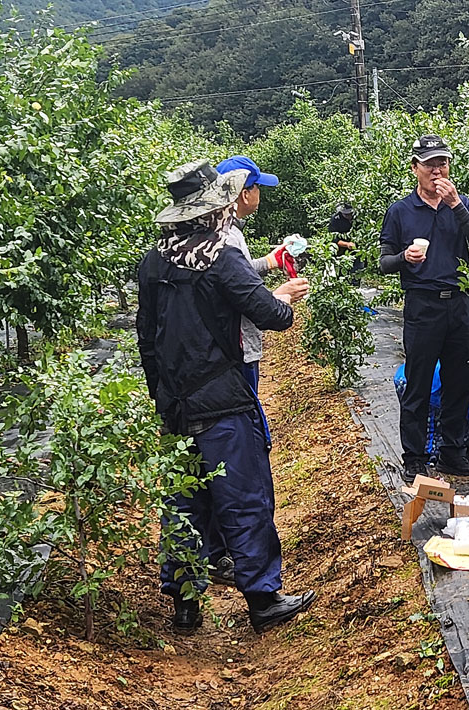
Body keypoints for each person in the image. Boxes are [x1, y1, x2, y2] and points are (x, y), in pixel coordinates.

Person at [137, 159, 315, 634]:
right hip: (223, 399)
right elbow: (272, 315)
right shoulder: (220, 256)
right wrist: (284, 299)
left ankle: (185, 604)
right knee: (244, 497)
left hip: (176, 403)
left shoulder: (154, 260)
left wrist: (162, 397)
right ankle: (262, 599)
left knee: (184, 500)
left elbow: (147, 339)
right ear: (214, 208)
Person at [196, 155, 307, 587]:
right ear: (244, 193)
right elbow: (249, 300)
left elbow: (239, 274)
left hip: (221, 364)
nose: (260, 195)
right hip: (237, 359)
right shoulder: (225, 238)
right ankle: (232, 555)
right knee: (239, 457)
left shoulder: (221, 236)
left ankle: (215, 551)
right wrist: (280, 297)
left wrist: (269, 261)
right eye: (258, 188)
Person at [379, 135, 469, 483]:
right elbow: (383, 262)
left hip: (459, 302)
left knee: (459, 380)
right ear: (415, 168)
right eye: (429, 164)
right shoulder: (400, 211)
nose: (437, 170)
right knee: (419, 382)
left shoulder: (461, 204)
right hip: (422, 305)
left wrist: (456, 205)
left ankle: (452, 452)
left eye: (442, 163)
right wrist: (403, 257)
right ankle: (414, 457)